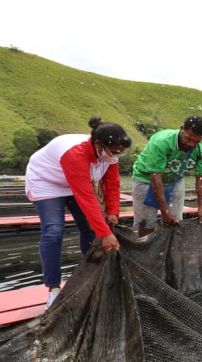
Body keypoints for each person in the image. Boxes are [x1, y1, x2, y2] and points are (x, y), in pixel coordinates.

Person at [25, 117, 131, 309]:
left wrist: (113, 211)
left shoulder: (111, 152)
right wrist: (106, 234)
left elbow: (112, 184)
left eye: (119, 153)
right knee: (53, 231)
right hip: (46, 181)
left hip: (75, 183)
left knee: (91, 228)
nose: (116, 156)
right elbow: (86, 196)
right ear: (98, 144)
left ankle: (92, 276)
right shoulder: (75, 154)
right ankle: (54, 289)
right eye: (114, 152)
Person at [132, 115, 202, 237]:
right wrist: (164, 210)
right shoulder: (162, 142)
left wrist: (201, 207)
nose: (191, 144)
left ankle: (170, 252)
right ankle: (144, 249)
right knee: (146, 223)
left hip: (175, 180)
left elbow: (201, 178)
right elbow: (156, 177)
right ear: (181, 129)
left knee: (175, 220)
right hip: (146, 178)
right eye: (188, 138)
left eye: (196, 141)